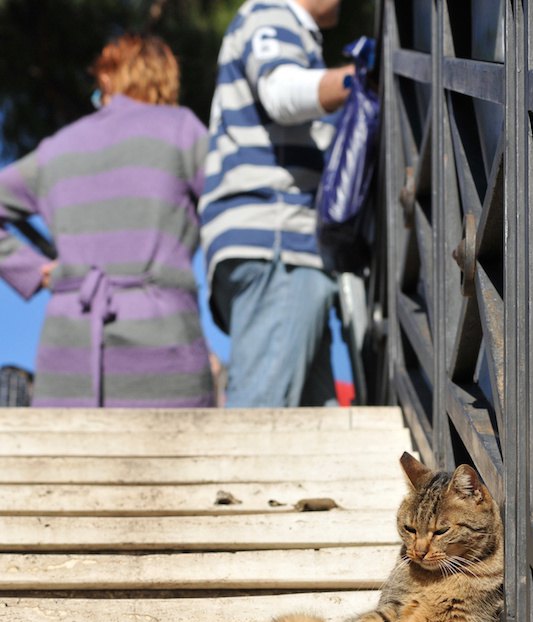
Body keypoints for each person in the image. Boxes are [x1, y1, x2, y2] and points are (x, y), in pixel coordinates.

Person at [0, 34, 215, 407]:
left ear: (108, 78)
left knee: (67, 463)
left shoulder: (56, 148)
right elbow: (229, 200)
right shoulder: (182, 130)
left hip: (69, 352)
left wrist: (35, 271)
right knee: (177, 462)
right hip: (163, 349)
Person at [199, 0, 354, 407]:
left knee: (312, 430)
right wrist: (360, 79)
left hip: (276, 243)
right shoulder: (269, 14)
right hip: (277, 241)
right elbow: (282, 92)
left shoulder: (282, 27)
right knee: (259, 422)